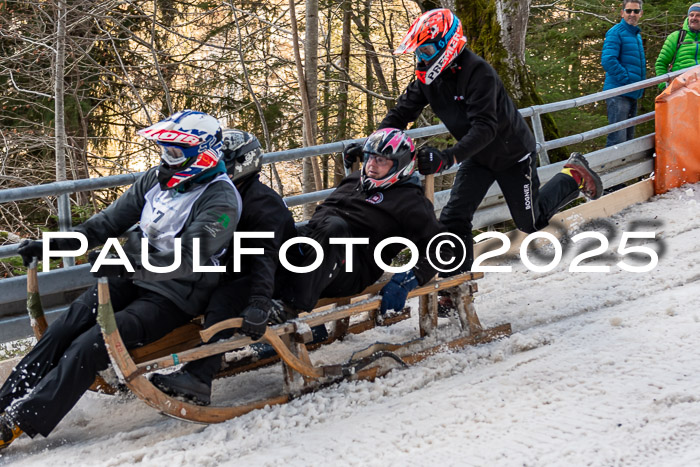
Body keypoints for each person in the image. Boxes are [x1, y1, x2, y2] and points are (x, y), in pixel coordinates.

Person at [0, 110, 241, 449]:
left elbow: (187, 258)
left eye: (174, 152)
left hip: (175, 293)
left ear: (202, 154)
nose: (165, 159)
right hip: (129, 274)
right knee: (63, 328)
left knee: (91, 344)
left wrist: (129, 260)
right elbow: (103, 225)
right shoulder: (154, 181)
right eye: (163, 151)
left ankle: (18, 421)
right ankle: (4, 400)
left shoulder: (222, 199)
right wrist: (48, 246)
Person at [350, 9, 603, 275]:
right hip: (477, 157)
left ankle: (572, 175)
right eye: (418, 53)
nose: (420, 59)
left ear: (446, 45)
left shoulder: (478, 73)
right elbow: (402, 113)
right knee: (453, 217)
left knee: (530, 223)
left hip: (512, 154)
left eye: (425, 51)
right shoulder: (428, 78)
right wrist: (373, 145)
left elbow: (486, 128)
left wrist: (447, 158)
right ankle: (458, 282)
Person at [150, 129, 297, 406]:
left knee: (224, 299)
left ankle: (199, 377)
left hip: (271, 276)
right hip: (234, 269)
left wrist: (259, 302)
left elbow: (265, 257)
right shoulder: (214, 193)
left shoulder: (262, 203)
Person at [277, 127, 444, 316]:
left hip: (352, 266)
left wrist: (406, 280)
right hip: (315, 246)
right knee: (273, 222)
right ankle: (252, 303)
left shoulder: (410, 201)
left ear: (400, 164)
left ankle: (289, 310)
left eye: (380, 160)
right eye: (369, 157)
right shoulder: (355, 179)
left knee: (335, 229)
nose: (372, 164)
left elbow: (443, 248)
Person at [601, 0, 646, 146]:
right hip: (618, 92)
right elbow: (608, 60)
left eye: (636, 11)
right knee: (617, 139)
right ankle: (609, 167)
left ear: (641, 13)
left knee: (627, 139)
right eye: (628, 11)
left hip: (632, 92)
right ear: (622, 13)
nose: (632, 14)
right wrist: (626, 80)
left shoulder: (636, 35)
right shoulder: (616, 32)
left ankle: (623, 167)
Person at [655, 2, 700, 90]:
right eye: (691, 15)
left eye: (698, 15)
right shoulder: (676, 37)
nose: (694, 18)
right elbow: (661, 63)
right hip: (680, 89)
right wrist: (664, 86)